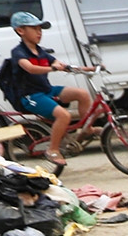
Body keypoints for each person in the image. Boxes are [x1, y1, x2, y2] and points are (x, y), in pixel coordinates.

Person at [7, 12, 91, 166]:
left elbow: (64, 66)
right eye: (34, 29)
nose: (39, 32)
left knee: (82, 94)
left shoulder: (41, 51)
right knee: (64, 115)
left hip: (46, 90)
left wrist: (90, 68)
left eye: (40, 29)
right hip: (31, 96)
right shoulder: (18, 52)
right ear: (20, 31)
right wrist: (52, 68)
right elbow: (30, 68)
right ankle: (52, 150)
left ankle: (87, 130)